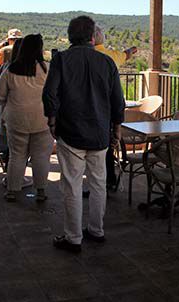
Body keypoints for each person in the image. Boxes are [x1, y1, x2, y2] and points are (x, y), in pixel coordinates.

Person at [43, 16, 125, 253]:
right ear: (92, 37)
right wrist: (116, 129)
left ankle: (73, 237)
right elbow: (117, 100)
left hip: (70, 132)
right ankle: (96, 230)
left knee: (72, 185)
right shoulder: (107, 63)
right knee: (99, 183)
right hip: (100, 133)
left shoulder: (62, 60)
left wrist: (52, 120)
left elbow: (50, 93)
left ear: (70, 36)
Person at [0, 34, 53, 202]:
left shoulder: (10, 69)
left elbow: (0, 96)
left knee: (17, 155)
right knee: (41, 156)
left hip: (16, 120)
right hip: (42, 119)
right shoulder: (47, 69)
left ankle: (12, 190)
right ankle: (41, 191)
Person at [91, 24, 137, 193]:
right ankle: (108, 181)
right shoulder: (111, 56)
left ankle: (98, 183)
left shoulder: (83, 56)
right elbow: (126, 55)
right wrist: (132, 50)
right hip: (107, 110)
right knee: (107, 147)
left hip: (88, 109)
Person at [0, 28, 23, 169]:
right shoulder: (24, 54)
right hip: (19, 95)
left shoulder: (5, 51)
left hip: (5, 93)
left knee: (2, 123)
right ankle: (12, 154)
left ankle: (4, 153)